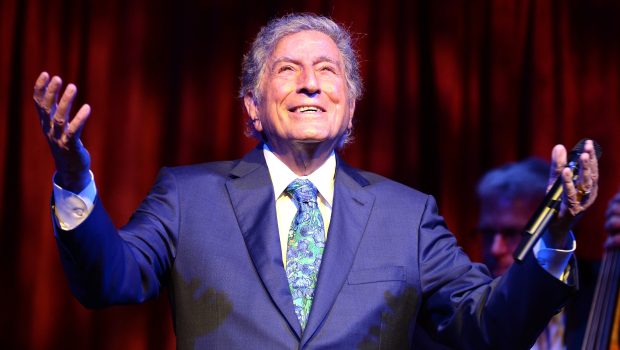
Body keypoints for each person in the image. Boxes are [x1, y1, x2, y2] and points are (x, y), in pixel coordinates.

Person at [33, 13, 600, 349]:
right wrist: (72, 176)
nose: (309, 84)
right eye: (288, 70)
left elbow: (488, 329)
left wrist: (555, 233)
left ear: (350, 110)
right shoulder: (188, 197)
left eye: (327, 71)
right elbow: (109, 280)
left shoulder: (408, 215)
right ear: (252, 109)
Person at [476, 158, 595, 350]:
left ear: (551, 226)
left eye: (512, 233)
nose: (495, 249)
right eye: (488, 234)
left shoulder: (597, 290)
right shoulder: (467, 306)